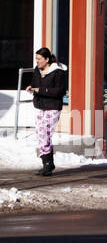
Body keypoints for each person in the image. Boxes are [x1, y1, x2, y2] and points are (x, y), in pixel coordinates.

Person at [25, 48, 68, 177]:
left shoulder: (58, 72)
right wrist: (31, 87)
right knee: (40, 134)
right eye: (36, 59)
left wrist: (41, 90)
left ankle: (47, 164)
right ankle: (48, 163)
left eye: (39, 59)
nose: (37, 61)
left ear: (47, 59)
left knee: (46, 134)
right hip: (39, 105)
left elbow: (60, 91)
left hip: (52, 106)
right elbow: (35, 84)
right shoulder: (37, 70)